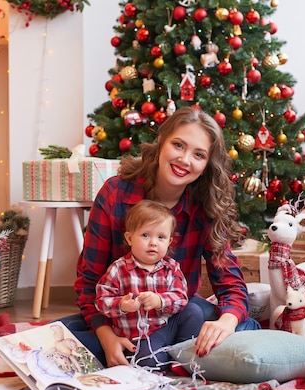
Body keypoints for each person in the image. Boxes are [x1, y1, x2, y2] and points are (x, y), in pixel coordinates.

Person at [63, 106, 260, 367]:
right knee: (57, 337)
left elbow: (230, 284)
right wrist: (107, 337)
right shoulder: (115, 194)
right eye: (178, 145)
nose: (185, 160)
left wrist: (227, 321)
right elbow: (89, 283)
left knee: (238, 324)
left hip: (176, 318)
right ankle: (159, 356)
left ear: (205, 166)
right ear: (161, 142)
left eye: (198, 155)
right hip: (120, 321)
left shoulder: (205, 207)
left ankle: (161, 354)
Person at [95, 199, 204, 370]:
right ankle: (163, 358)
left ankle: (182, 354)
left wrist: (160, 301)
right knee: (147, 361)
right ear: (130, 238)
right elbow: (101, 300)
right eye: (145, 235)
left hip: (167, 327)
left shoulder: (171, 268)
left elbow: (181, 298)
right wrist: (121, 305)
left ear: (169, 242)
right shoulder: (118, 269)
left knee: (194, 312)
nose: (153, 242)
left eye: (161, 237)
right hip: (139, 339)